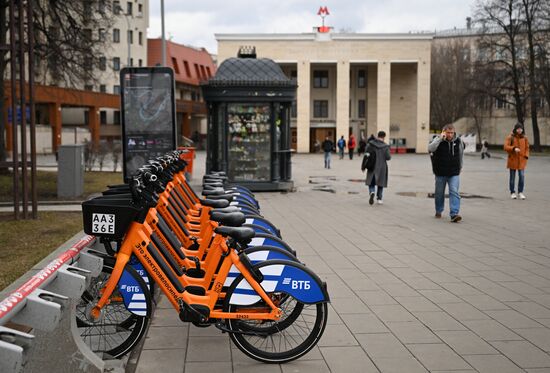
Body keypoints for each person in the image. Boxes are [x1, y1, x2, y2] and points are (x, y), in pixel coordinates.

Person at [428, 124, 465, 222]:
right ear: (444, 132)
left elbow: (461, 154)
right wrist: (440, 138)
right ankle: (439, 210)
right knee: (439, 193)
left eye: (451, 132)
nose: (450, 135)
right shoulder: (438, 140)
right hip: (440, 172)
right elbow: (430, 148)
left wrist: (461, 166)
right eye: (448, 132)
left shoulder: (458, 141)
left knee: (454, 191)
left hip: (454, 172)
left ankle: (454, 214)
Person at [504, 123, 529, 199]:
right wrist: (514, 148)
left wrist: (526, 156)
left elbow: (527, 148)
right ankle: (512, 192)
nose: (519, 130)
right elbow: (505, 147)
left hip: (521, 160)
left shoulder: (525, 138)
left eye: (521, 129)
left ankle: (520, 192)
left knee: (522, 176)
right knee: (512, 177)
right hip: (513, 160)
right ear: (515, 129)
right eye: (518, 129)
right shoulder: (510, 137)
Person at [365, 131, 391, 205]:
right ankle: (379, 198)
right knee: (381, 182)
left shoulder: (371, 144)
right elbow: (388, 157)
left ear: (378, 136)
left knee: (371, 181)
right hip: (382, 166)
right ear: (384, 137)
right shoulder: (385, 146)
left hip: (372, 165)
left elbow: (366, 153)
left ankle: (372, 192)